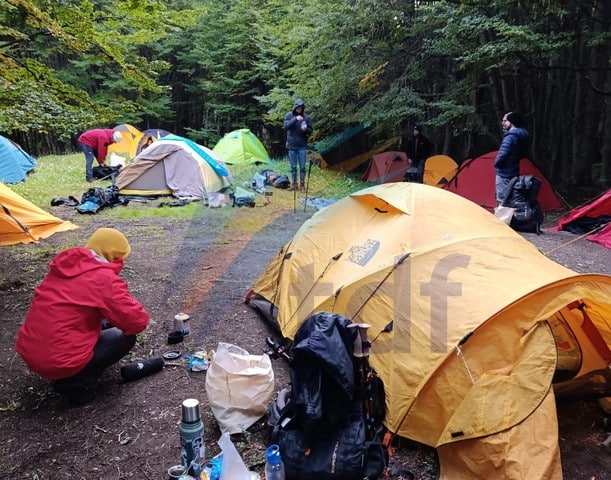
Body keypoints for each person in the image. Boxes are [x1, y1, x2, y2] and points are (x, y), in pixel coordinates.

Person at [15, 228, 150, 405]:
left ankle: (66, 368)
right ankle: (75, 383)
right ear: (114, 254)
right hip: (58, 361)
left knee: (102, 319)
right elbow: (137, 321)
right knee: (125, 338)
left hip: (32, 353)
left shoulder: (64, 267)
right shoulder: (102, 278)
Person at [494, 112, 529, 204]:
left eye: (505, 121)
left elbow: (503, 154)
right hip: (514, 170)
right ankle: (512, 217)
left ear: (512, 122)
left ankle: (502, 218)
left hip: (504, 172)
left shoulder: (511, 136)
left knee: (502, 200)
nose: (502, 123)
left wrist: (497, 164)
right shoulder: (523, 135)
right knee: (512, 198)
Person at [284, 98, 313, 191]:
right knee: (293, 167)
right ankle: (294, 184)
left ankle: (302, 185)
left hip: (302, 146)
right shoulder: (288, 116)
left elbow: (310, 131)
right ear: (295, 108)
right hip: (292, 145)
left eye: (301, 108)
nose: (299, 110)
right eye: (298, 108)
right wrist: (295, 119)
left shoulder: (306, 117)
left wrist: (306, 129)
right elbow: (286, 127)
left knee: (303, 167)